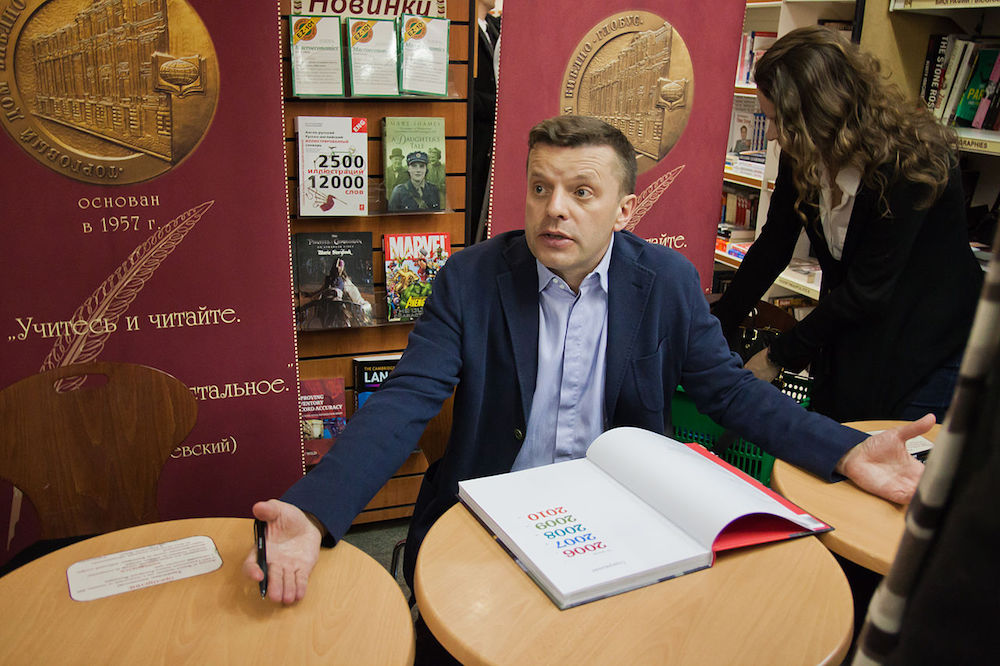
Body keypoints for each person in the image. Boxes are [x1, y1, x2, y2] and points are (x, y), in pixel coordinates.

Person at [245, 115, 929, 606]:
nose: (555, 210)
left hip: (620, 514)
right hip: (490, 511)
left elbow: (728, 390)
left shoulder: (664, 281)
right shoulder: (471, 278)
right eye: (540, 188)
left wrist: (845, 451)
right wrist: (315, 509)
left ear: (625, 208)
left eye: (581, 192)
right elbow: (405, 399)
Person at [711, 26, 983, 423]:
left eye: (777, 121)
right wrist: (718, 329)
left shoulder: (913, 166)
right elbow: (773, 247)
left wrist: (776, 357)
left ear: (818, 112)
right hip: (857, 333)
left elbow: (868, 291)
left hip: (932, 345)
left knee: (890, 457)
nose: (770, 134)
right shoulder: (803, 149)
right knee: (833, 446)